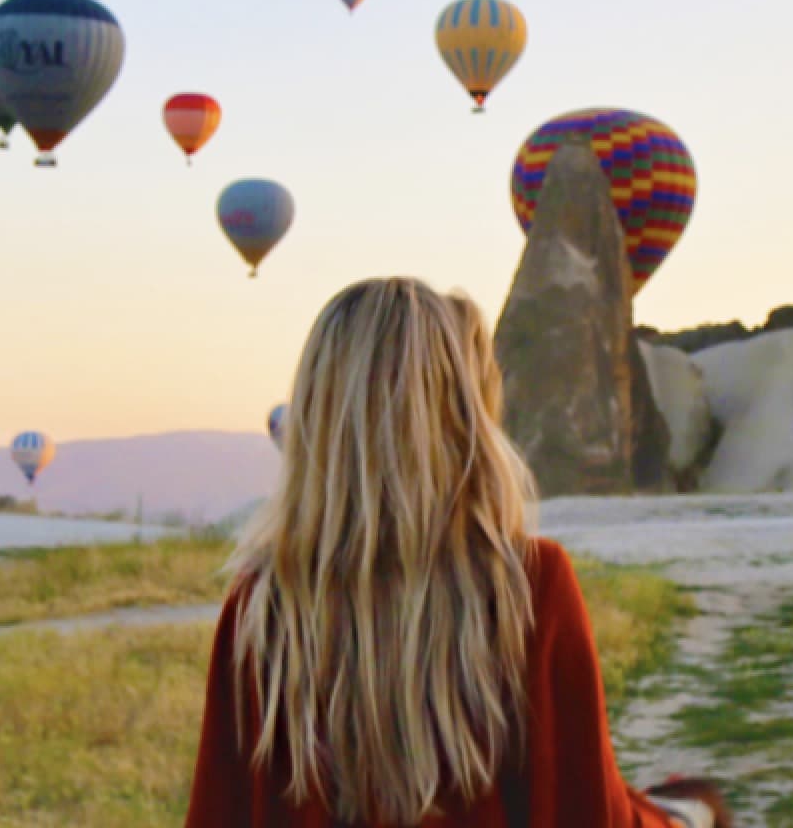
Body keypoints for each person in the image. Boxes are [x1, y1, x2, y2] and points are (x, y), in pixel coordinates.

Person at [184, 277, 730, 828]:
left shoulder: (263, 604)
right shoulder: (528, 584)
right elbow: (583, 808)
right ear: (459, 412)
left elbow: (219, 810)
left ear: (315, 416)